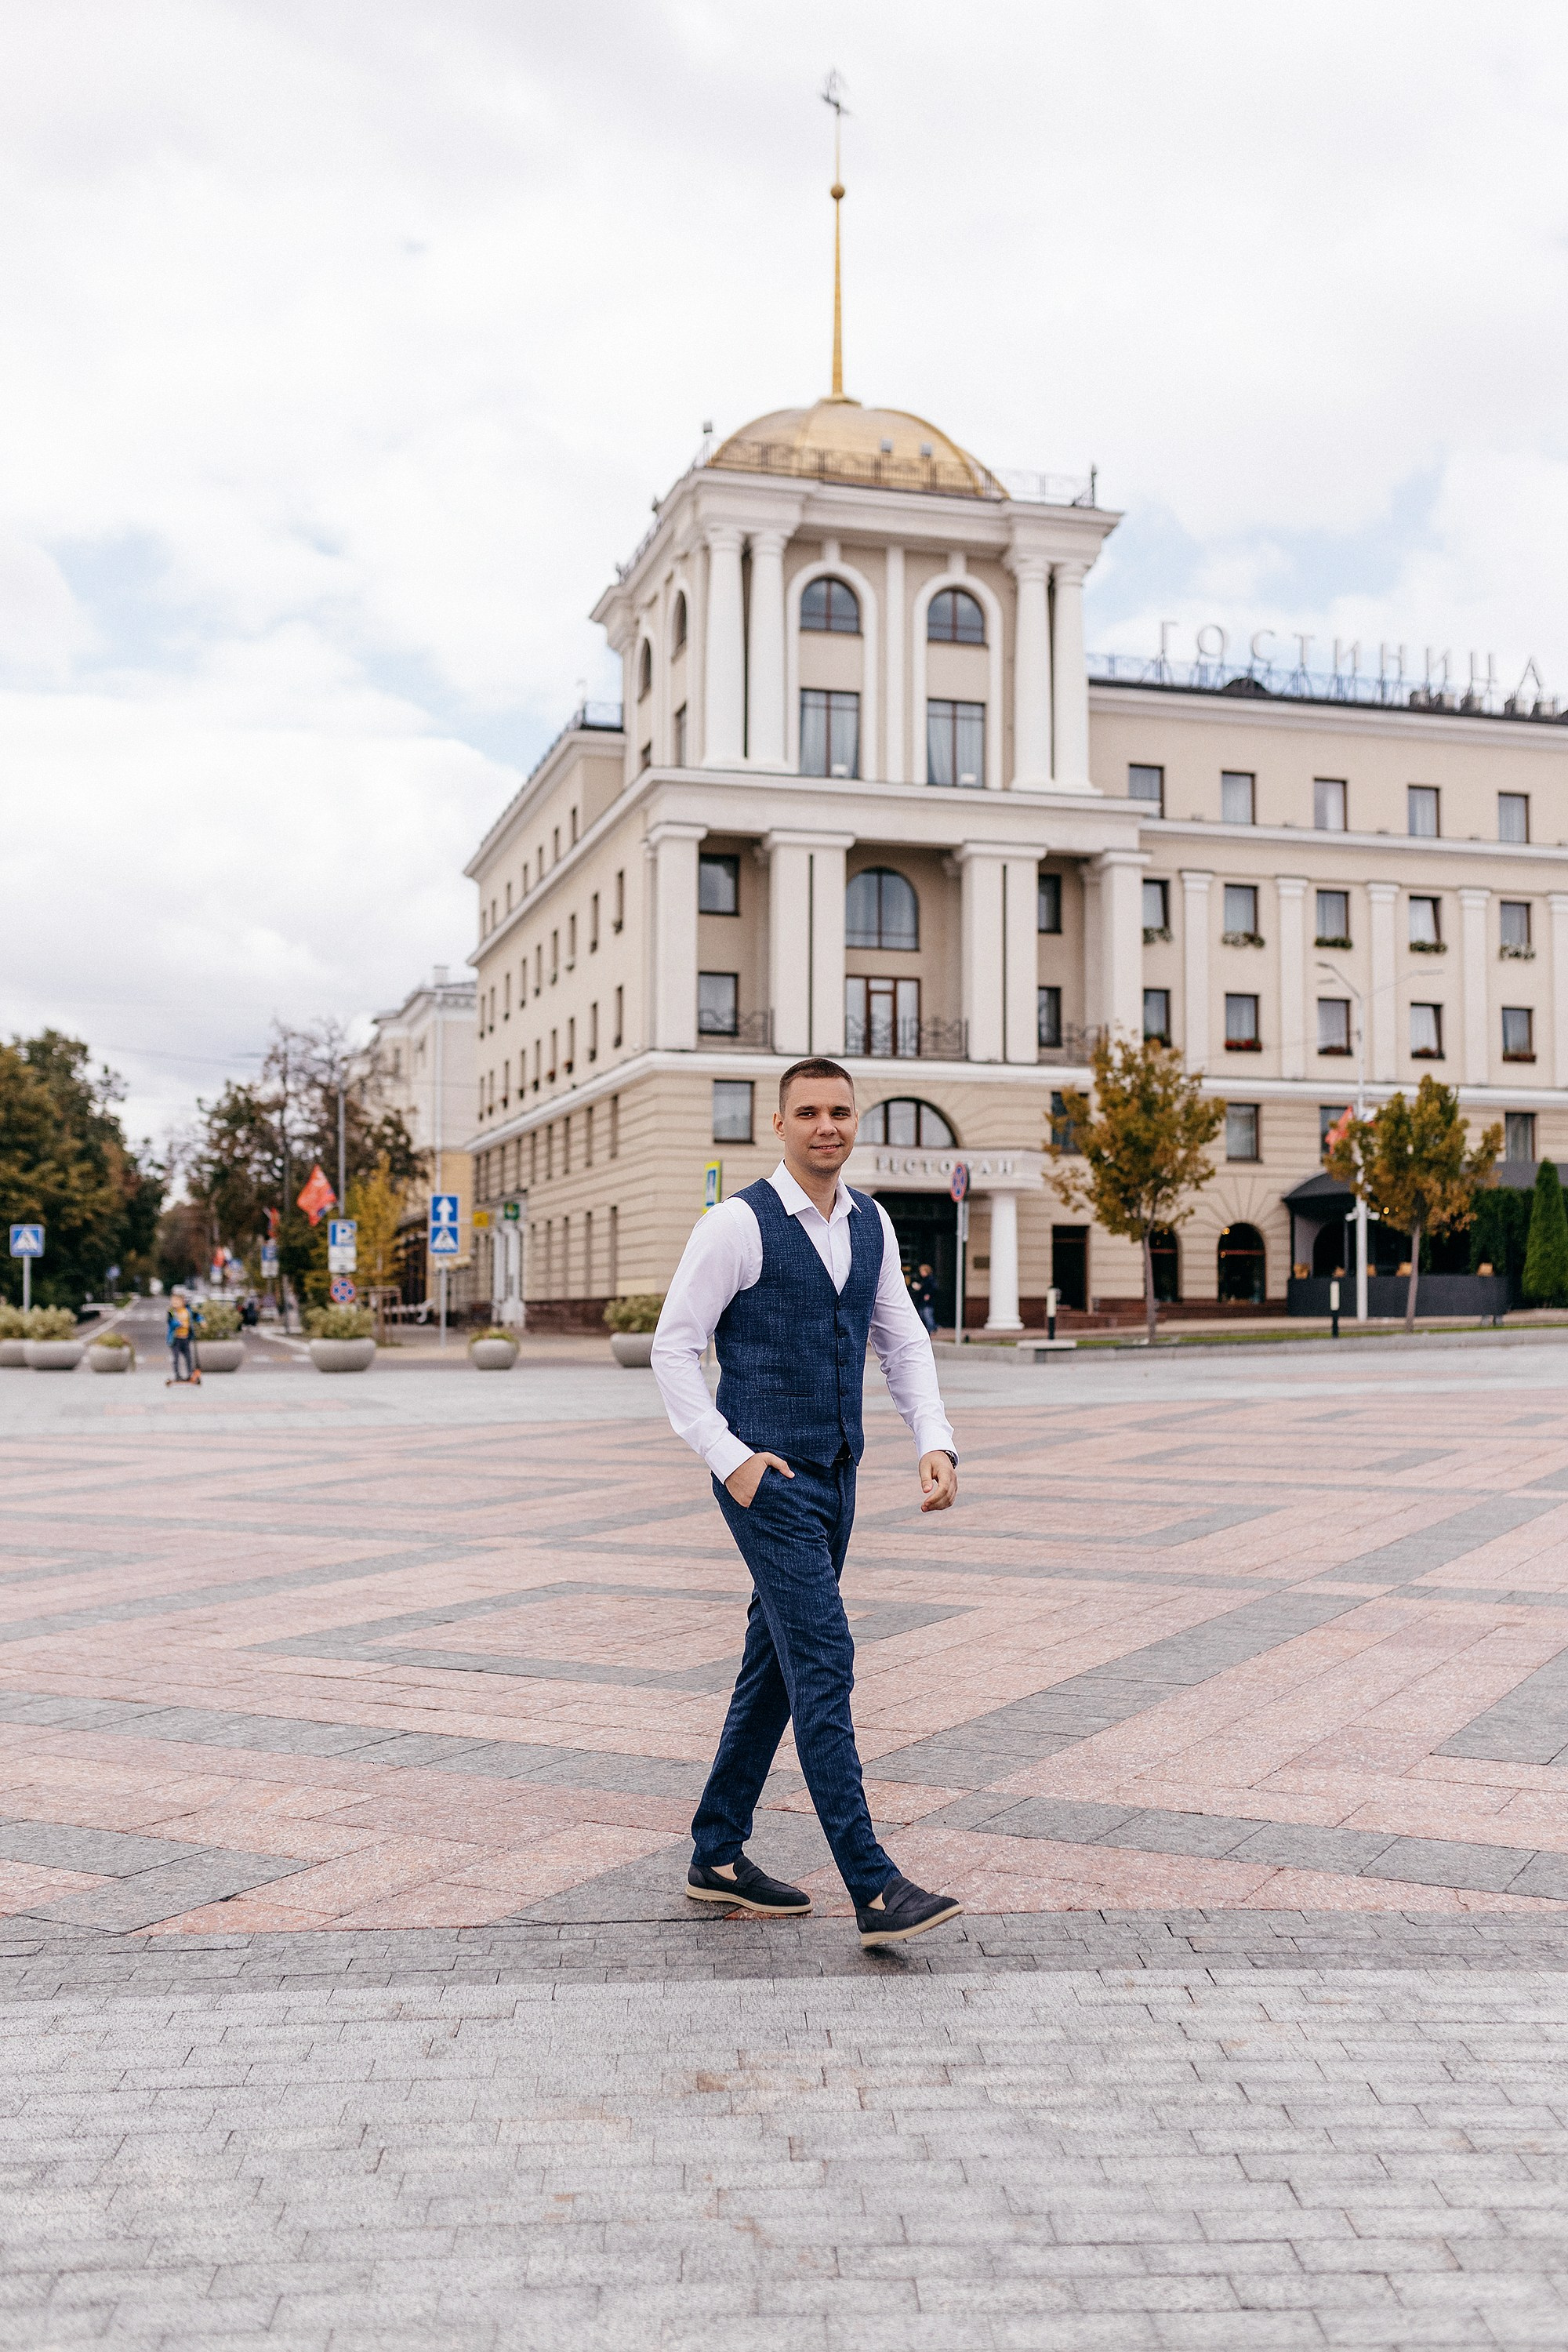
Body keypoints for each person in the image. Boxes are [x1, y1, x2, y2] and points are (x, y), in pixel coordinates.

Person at [652, 1056, 963, 1950]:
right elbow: (673, 1348)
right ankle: (873, 1886)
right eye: (809, 1112)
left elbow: (900, 1339)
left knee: (776, 1661)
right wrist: (730, 1460)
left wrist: (933, 1438)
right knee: (823, 1657)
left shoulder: (871, 1221)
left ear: (854, 1121)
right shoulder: (734, 1224)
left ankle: (716, 1853)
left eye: (840, 1112)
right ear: (779, 1124)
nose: (827, 1126)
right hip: (766, 1480)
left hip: (838, 1474)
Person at [164, 1291, 201, 1386]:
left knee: (188, 1357)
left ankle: (190, 1374)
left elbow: (197, 1316)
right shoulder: (171, 1312)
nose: (175, 1303)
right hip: (175, 1339)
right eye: (173, 1301)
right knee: (176, 1358)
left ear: (183, 1301)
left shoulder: (188, 1311)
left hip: (186, 1338)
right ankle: (177, 1375)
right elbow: (171, 1322)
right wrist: (180, 1324)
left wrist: (201, 1321)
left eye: (177, 1301)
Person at [907, 1261, 938, 1338]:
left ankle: (932, 1328)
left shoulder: (930, 1279)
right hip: (922, 1300)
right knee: (922, 1315)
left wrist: (928, 1294)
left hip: (928, 1301)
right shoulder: (923, 1279)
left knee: (927, 1315)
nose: (921, 1273)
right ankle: (928, 1329)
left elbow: (933, 1288)